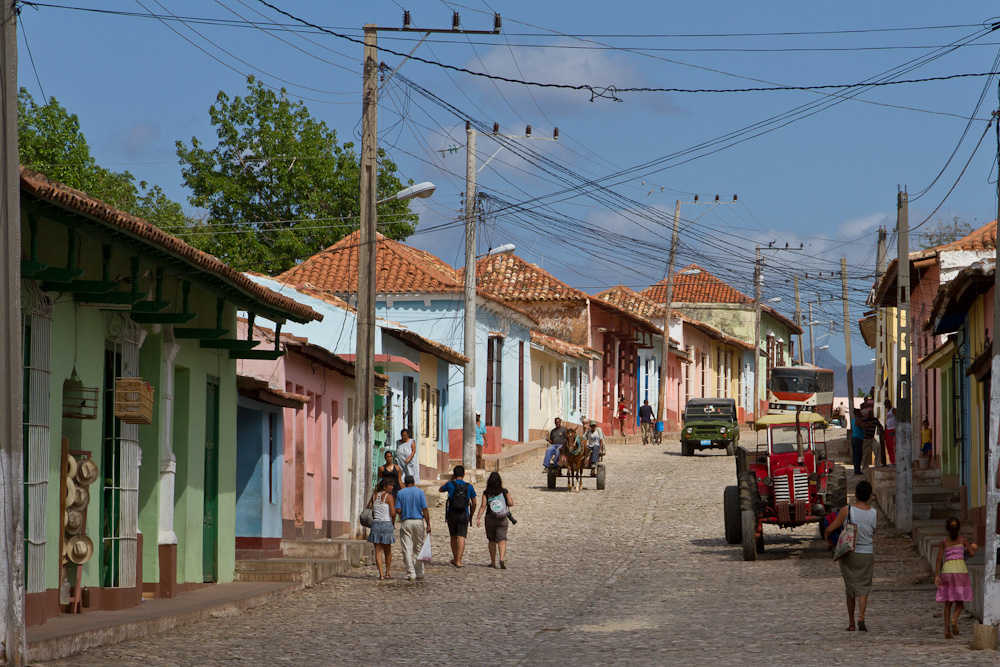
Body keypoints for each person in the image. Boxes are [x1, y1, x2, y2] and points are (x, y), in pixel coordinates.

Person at [824, 480, 877, 632]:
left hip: (849, 554)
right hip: (866, 553)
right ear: (869, 496)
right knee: (863, 587)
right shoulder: (874, 513)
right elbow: (872, 531)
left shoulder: (847, 510)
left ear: (855, 494)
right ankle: (861, 615)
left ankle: (852, 623)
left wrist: (830, 540)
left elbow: (830, 528)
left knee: (850, 588)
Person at [935, 516, 977, 639]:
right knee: (960, 599)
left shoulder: (944, 542)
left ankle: (947, 630)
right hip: (960, 570)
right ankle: (954, 619)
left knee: (948, 603)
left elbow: (938, 559)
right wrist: (970, 546)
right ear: (958, 528)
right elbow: (972, 553)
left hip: (947, 570)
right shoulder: (963, 540)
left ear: (947, 529)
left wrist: (936, 575)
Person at [439, 465, 477, 567]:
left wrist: (450, 480)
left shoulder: (450, 485)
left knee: (453, 536)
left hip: (452, 513)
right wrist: (471, 515)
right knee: (461, 536)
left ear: (454, 474)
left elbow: (440, 489)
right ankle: (459, 561)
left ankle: (455, 558)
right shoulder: (469, 486)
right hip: (464, 513)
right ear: (464, 474)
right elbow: (474, 502)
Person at [395, 475, 431, 581]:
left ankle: (411, 573)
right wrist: (428, 524)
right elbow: (425, 509)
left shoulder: (400, 493)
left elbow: (398, 510)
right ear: (414, 482)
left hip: (406, 522)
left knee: (407, 548)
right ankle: (419, 572)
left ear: (405, 483)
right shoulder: (420, 492)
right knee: (418, 548)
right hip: (418, 522)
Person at [475, 472, 514, 569]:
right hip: (502, 518)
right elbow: (511, 503)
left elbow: (483, 506)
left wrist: (478, 518)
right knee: (502, 539)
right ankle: (501, 558)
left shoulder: (486, 493)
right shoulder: (504, 491)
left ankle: (493, 562)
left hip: (490, 518)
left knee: (491, 540)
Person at [366, 477, 397, 580]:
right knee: (387, 551)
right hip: (386, 523)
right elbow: (393, 512)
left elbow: (369, 508)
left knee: (378, 551)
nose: (392, 487)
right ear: (385, 486)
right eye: (390, 485)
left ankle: (381, 574)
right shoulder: (389, 497)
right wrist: (393, 521)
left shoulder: (374, 496)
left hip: (375, 524)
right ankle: (388, 572)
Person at [850, 409, 865, 475]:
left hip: (855, 438)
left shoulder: (853, 420)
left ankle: (856, 469)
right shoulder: (858, 420)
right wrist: (870, 423)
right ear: (858, 413)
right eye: (860, 412)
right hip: (857, 439)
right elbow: (865, 426)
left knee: (856, 455)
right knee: (858, 455)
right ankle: (857, 470)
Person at [883, 399, 897, 465]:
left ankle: (894, 461)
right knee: (888, 445)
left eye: (887, 404)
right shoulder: (888, 411)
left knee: (892, 445)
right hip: (888, 429)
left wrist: (895, 429)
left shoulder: (893, 410)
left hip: (892, 429)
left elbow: (897, 418)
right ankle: (891, 461)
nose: (886, 406)